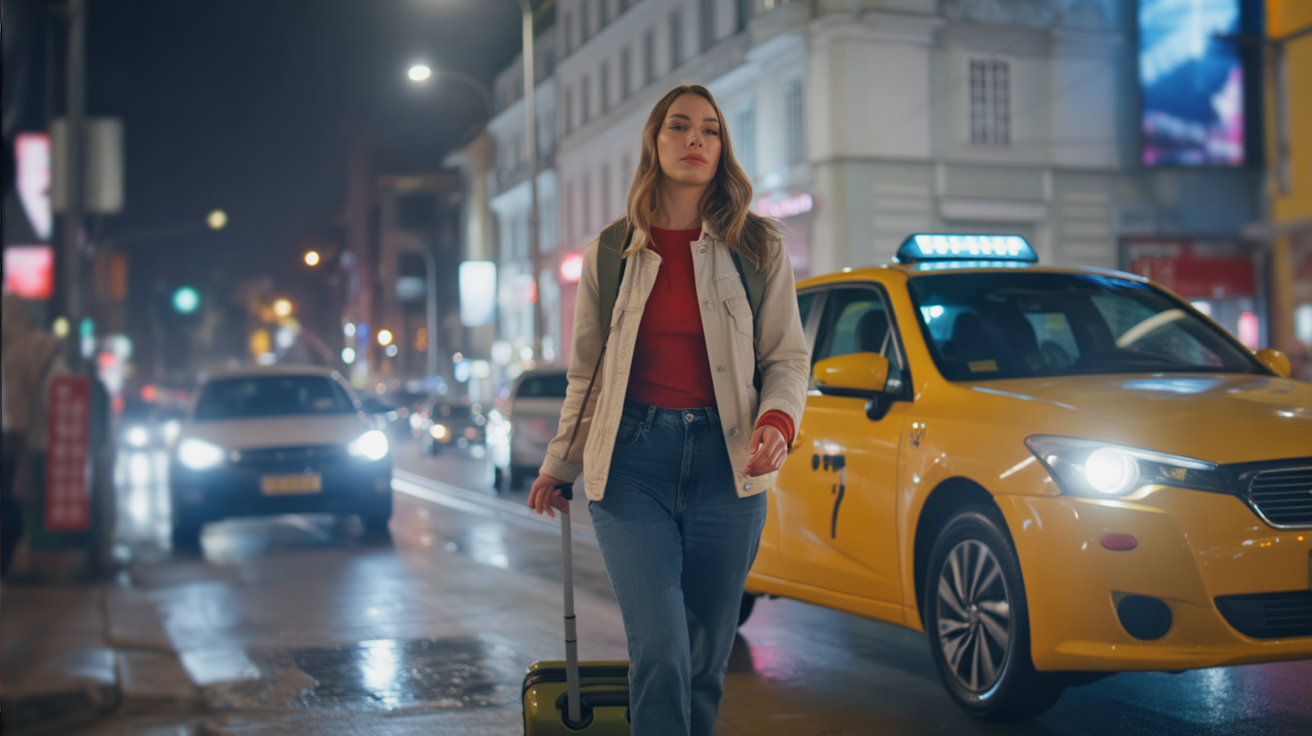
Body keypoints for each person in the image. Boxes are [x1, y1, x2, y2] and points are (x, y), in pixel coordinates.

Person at [528, 84, 810, 735]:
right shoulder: (612, 251)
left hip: (727, 465)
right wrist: (560, 463)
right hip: (632, 465)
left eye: (709, 129)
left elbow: (787, 358)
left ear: (722, 147)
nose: (695, 140)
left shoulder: (758, 246)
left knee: (706, 659)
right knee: (660, 649)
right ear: (654, 142)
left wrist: (778, 420)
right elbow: (588, 372)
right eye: (679, 126)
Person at [1, 294, 66, 576]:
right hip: (27, 444)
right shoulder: (36, 350)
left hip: (27, 445)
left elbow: (59, 394)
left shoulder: (33, 351)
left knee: (16, 508)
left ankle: (21, 563)